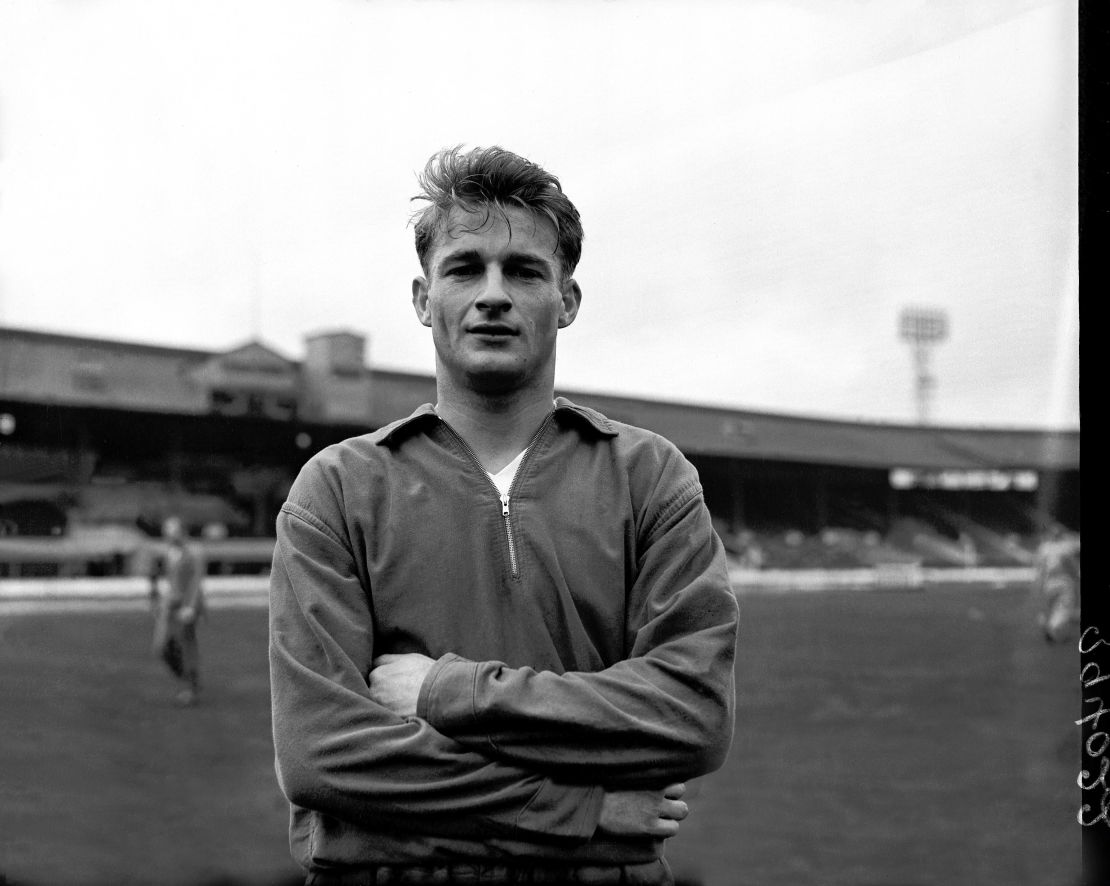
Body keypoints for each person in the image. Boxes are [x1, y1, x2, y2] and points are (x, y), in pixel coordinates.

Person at [269, 146, 740, 886]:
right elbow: (323, 756)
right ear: (425, 299)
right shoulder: (338, 487)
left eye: (523, 270)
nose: (493, 294)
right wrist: (581, 812)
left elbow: (691, 714)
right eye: (465, 268)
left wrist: (439, 693)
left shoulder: (648, 478)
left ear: (568, 300)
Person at [151, 515, 206, 706]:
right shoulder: (169, 552)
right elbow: (169, 580)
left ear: (182, 531)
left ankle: (190, 688)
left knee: (186, 647)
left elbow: (195, 582)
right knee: (162, 648)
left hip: (186, 608)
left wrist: (190, 607)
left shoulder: (193, 552)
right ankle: (190, 682)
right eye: (166, 529)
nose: (168, 533)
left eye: (172, 529)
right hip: (170, 606)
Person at [1035, 525, 1080, 643]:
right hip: (1063, 582)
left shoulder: (1043, 548)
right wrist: (1076, 576)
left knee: (1051, 607)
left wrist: (1039, 584)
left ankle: (1046, 622)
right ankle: (1052, 627)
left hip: (1048, 584)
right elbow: (1072, 567)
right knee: (1065, 608)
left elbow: (1039, 569)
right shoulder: (1064, 549)